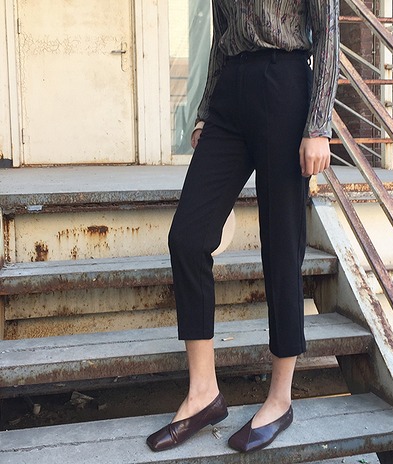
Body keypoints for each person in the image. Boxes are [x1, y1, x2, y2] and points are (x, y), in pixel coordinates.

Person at [147, 0, 339, 454]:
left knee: (281, 247)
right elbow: (221, 37)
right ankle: (203, 393)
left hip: (284, 84)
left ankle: (280, 398)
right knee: (188, 237)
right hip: (230, 96)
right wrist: (205, 110)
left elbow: (328, 33)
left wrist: (319, 125)